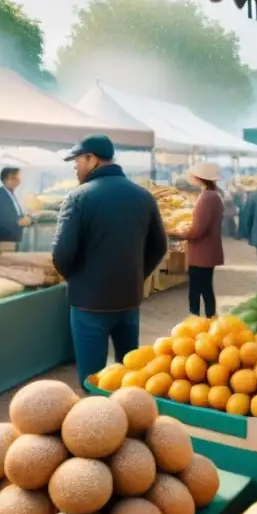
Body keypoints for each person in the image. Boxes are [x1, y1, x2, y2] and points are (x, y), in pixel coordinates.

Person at [52, 135, 167, 386]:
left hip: (89, 303)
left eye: (78, 160)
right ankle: (129, 421)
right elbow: (159, 247)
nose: (75, 166)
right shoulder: (143, 196)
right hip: (129, 300)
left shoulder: (78, 197)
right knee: (130, 375)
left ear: (91, 159)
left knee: (93, 381)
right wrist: (138, 275)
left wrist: (77, 279)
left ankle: (95, 424)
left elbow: (61, 254)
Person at [174, 162, 224, 318]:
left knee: (196, 288)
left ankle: (196, 317)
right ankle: (210, 317)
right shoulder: (214, 195)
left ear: (199, 178)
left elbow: (198, 230)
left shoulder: (207, 198)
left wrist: (181, 232)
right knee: (205, 286)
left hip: (201, 251)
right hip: (208, 249)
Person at [0, 166, 32, 259]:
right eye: (15, 178)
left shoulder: (10, 193)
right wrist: (19, 222)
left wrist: (26, 218)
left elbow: (16, 213)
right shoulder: (0, 195)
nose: (18, 181)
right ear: (8, 179)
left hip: (14, 233)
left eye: (18, 178)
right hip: (5, 235)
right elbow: (1, 219)